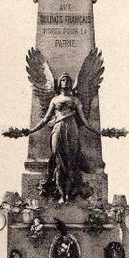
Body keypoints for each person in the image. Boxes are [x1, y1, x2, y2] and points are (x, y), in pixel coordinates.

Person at [29, 73, 100, 202]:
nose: (65, 81)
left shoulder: (75, 100)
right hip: (58, 128)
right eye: (63, 79)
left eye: (68, 80)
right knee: (57, 157)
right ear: (59, 83)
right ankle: (60, 191)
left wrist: (97, 131)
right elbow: (46, 118)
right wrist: (31, 130)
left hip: (72, 129)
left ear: (71, 83)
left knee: (71, 160)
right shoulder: (54, 100)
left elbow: (84, 120)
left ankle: (67, 194)